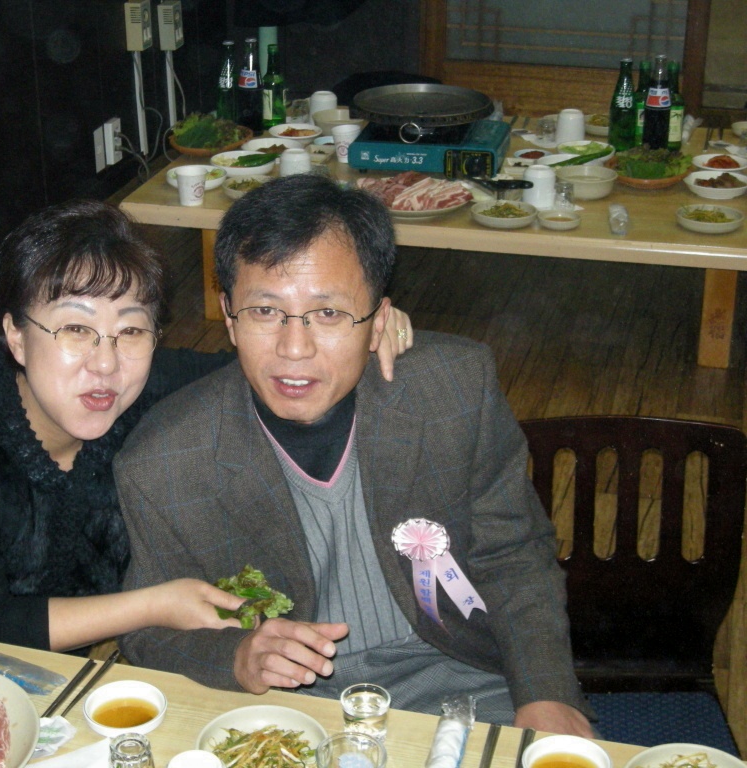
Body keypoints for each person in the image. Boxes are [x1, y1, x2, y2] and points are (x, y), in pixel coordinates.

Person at [0, 199, 413, 654]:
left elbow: (263, 363)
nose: (105, 364)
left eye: (130, 329)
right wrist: (154, 605)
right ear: (16, 336)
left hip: (54, 671)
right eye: (75, 329)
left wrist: (357, 326)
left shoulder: (140, 381)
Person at [115, 175, 594, 735]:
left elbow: (513, 554)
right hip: (287, 708)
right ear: (228, 315)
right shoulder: (164, 462)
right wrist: (237, 656)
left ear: (379, 318)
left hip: (464, 677)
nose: (295, 349)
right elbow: (147, 634)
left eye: (329, 314)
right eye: (265, 311)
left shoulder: (454, 388)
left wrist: (548, 693)